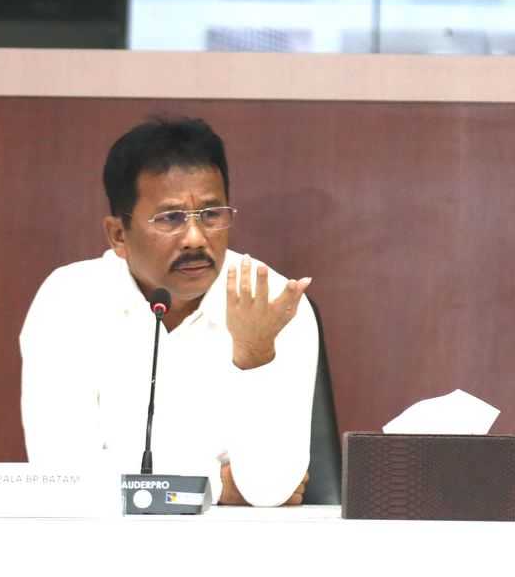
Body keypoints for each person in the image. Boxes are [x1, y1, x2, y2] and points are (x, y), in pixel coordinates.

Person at [20, 116, 317, 506]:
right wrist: (216, 485)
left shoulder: (273, 302)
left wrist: (255, 353)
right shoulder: (69, 300)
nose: (195, 238)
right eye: (170, 219)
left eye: (211, 215)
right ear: (119, 235)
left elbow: (269, 490)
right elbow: (62, 474)